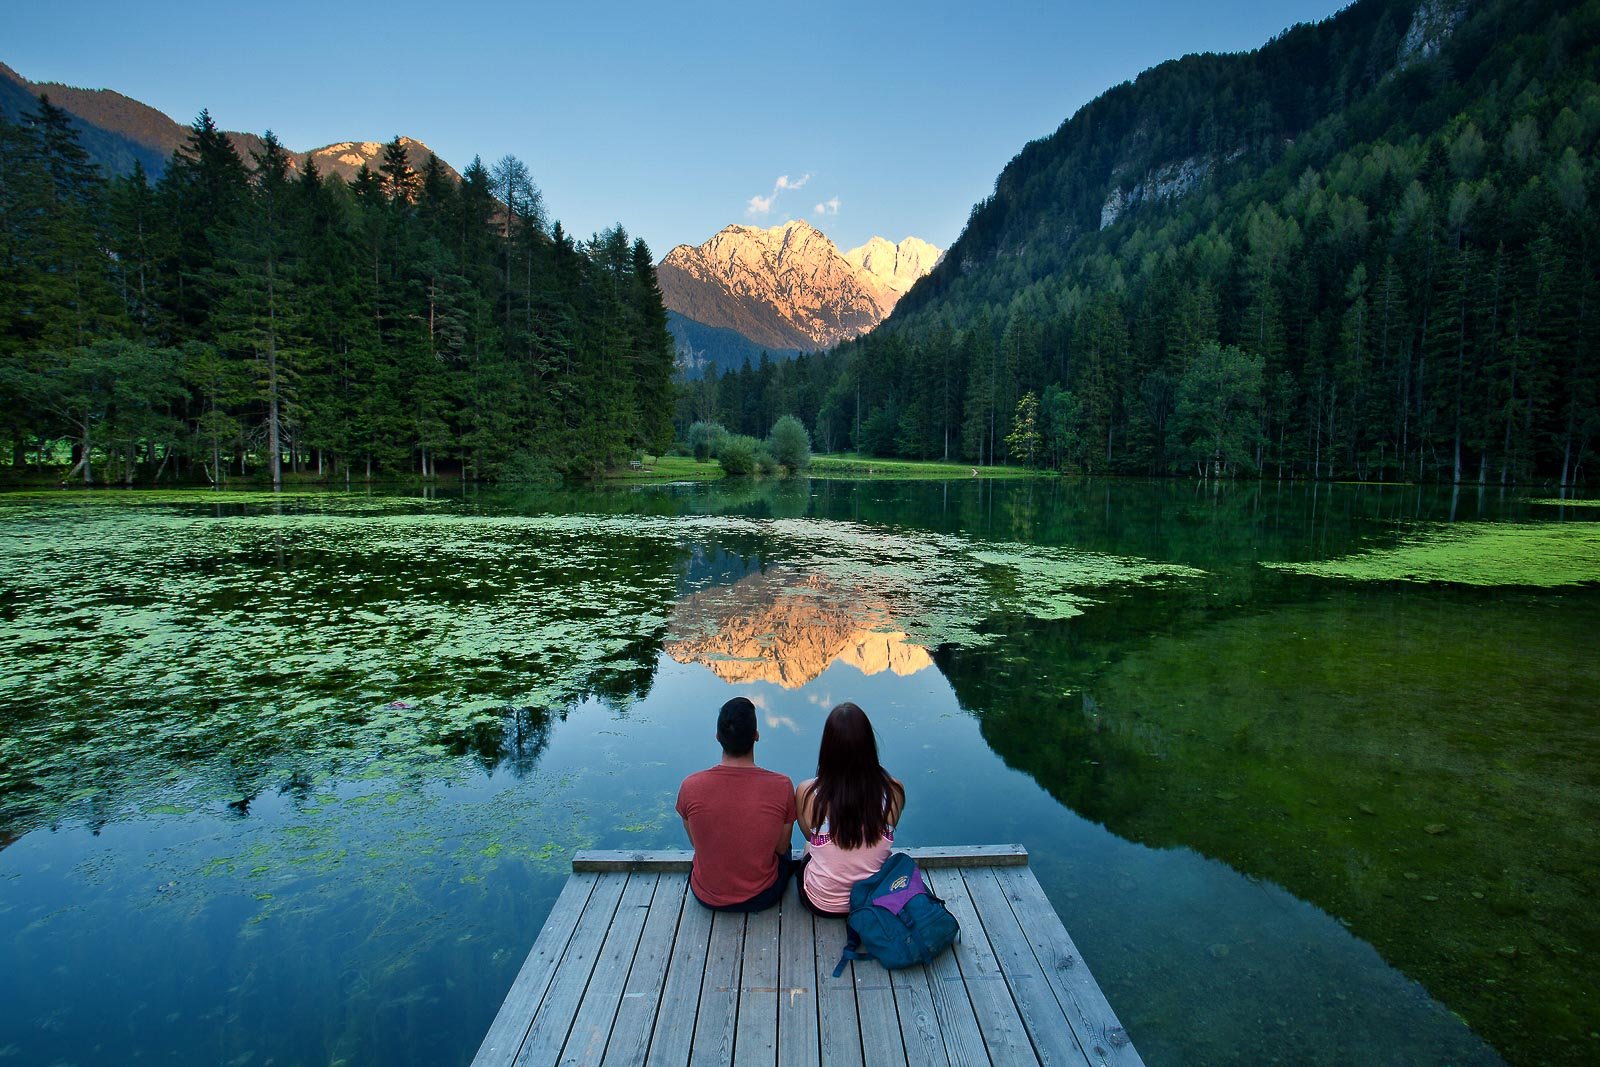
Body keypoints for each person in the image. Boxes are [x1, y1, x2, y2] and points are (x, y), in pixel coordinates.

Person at [675, 696, 796, 911]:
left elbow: (697, 843)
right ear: (756, 736)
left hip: (706, 895)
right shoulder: (782, 785)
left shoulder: (690, 786)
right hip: (763, 895)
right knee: (787, 850)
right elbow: (779, 848)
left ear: (717, 737)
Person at [795, 701, 905, 917]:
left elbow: (809, 834)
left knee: (810, 844)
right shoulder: (894, 790)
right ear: (869, 745)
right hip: (872, 901)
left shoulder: (808, 793)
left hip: (821, 902)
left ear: (827, 747)